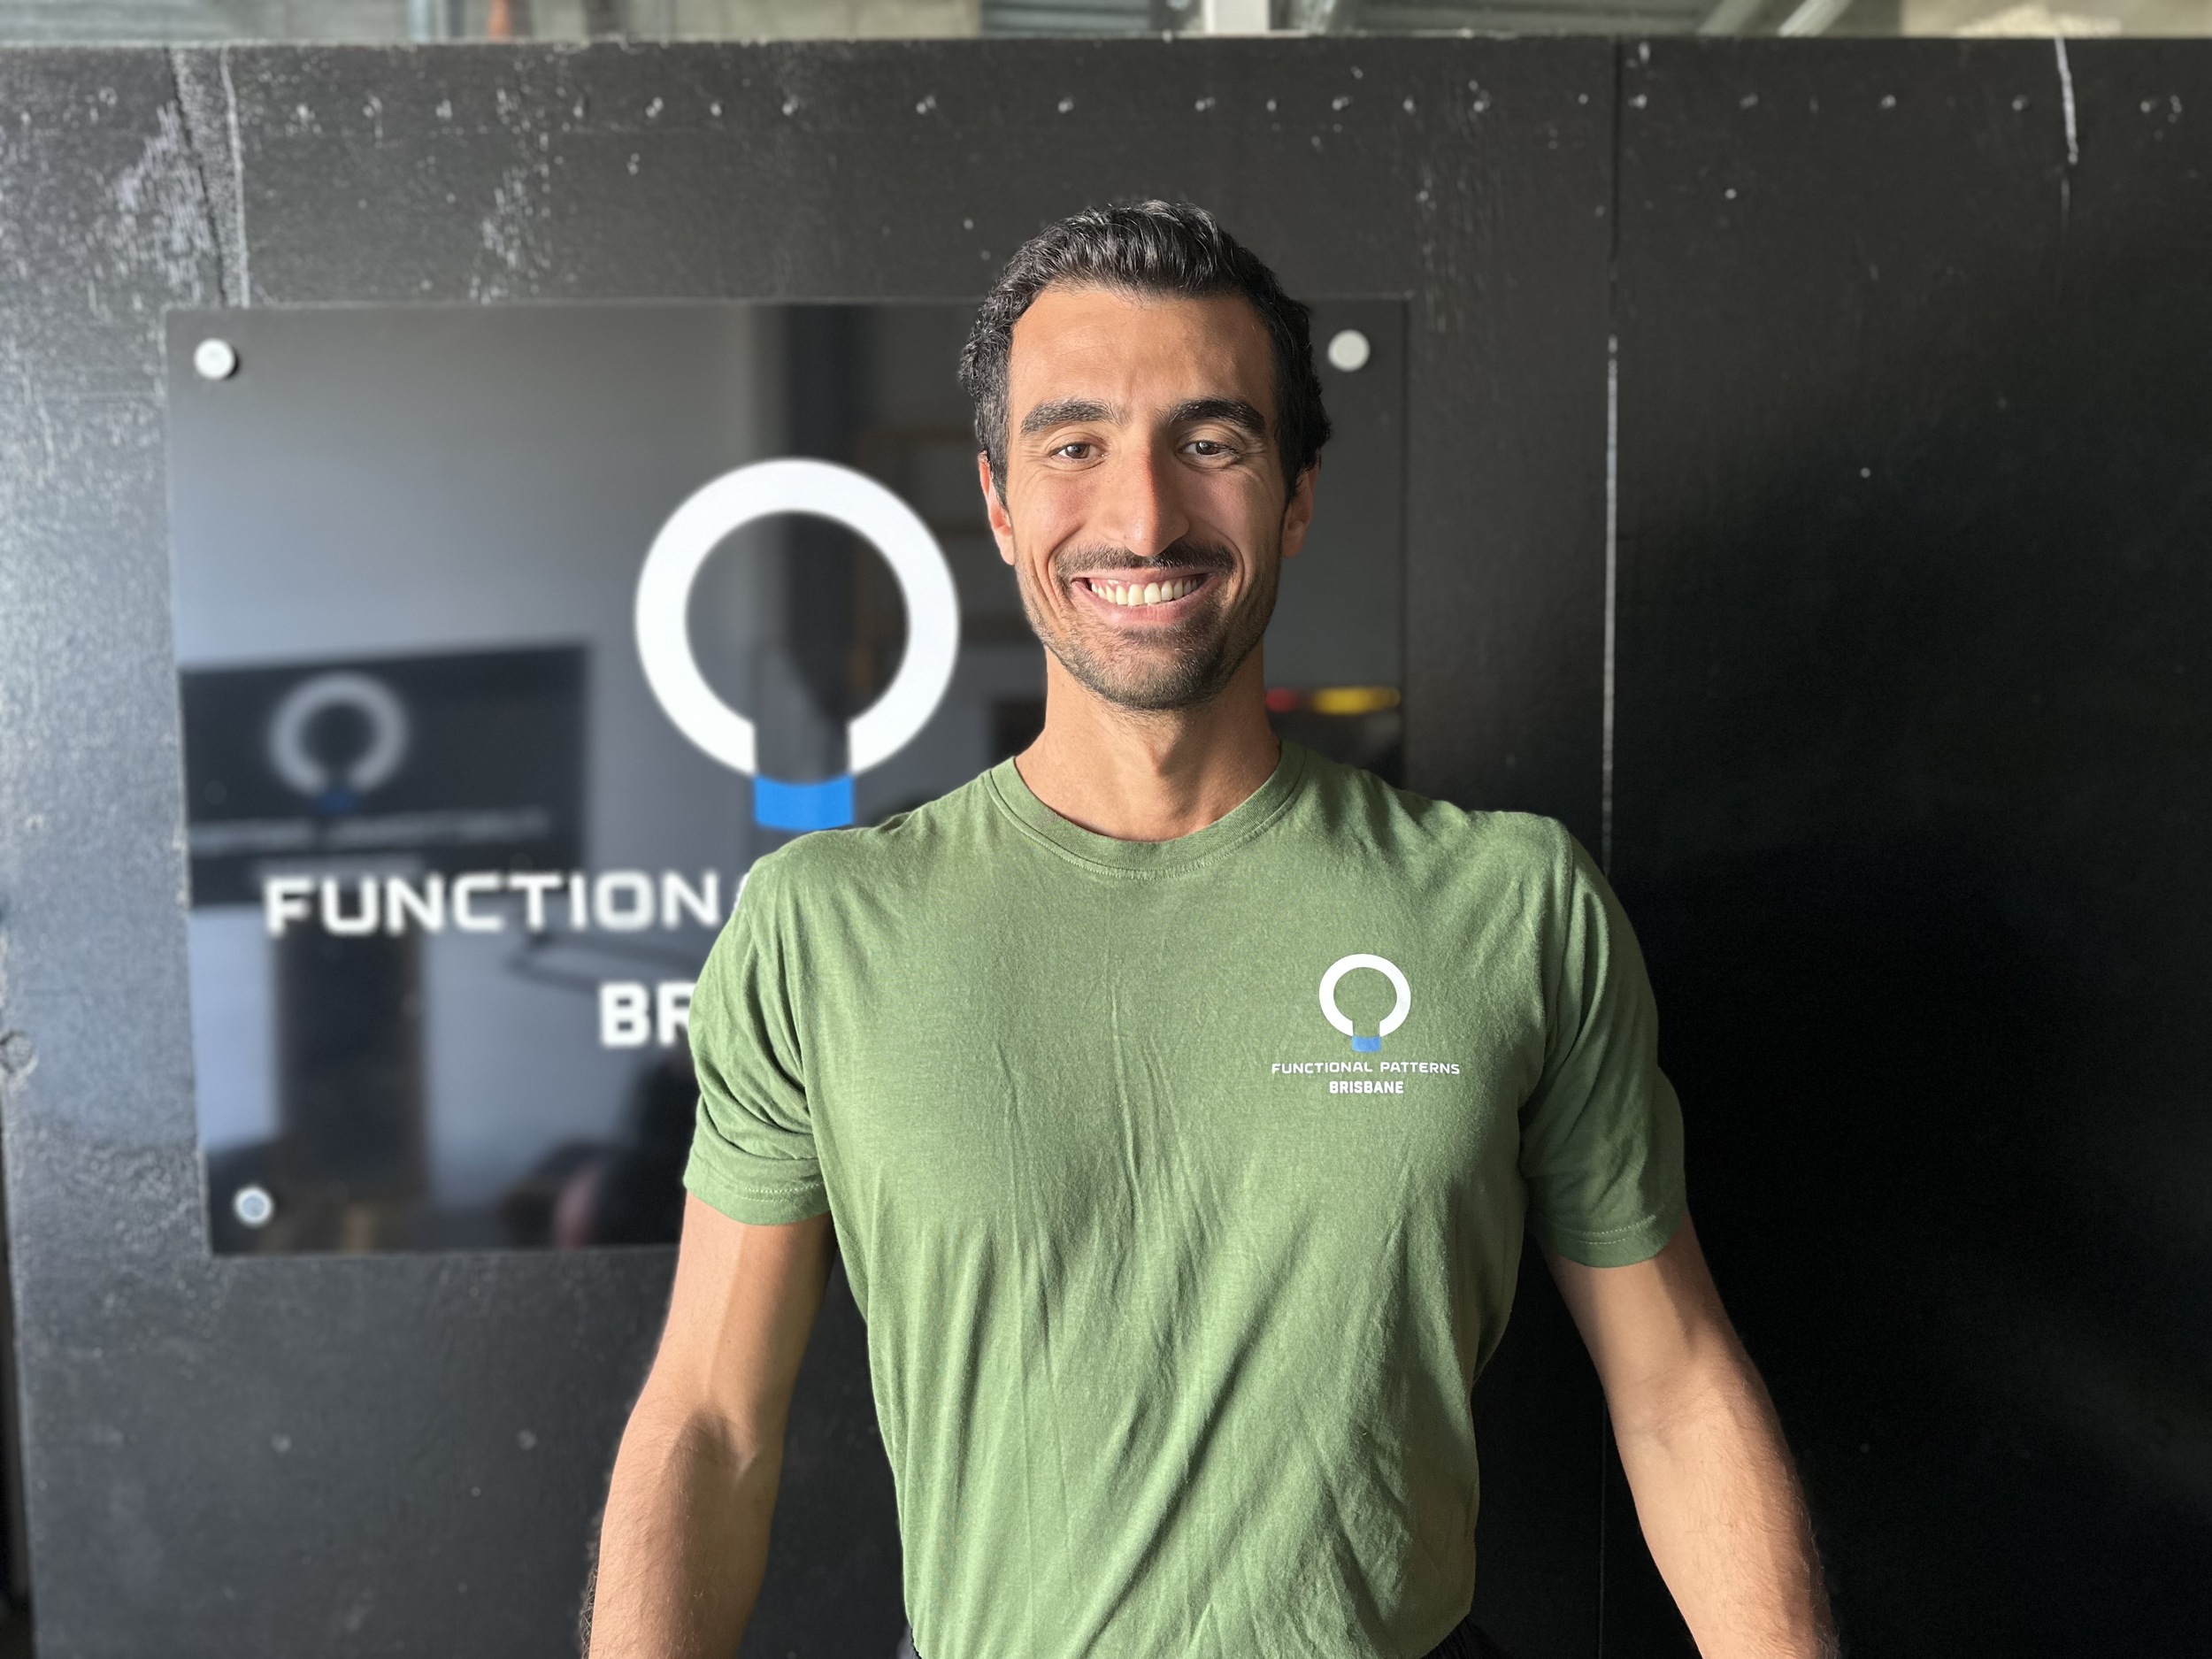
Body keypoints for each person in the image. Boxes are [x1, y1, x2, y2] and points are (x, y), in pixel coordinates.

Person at [587, 202, 1836, 1659]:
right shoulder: (823, 930)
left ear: (1296, 497)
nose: (1143, 517)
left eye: (1212, 441)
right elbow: (712, 1422)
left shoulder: (1512, 905)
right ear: (999, 504)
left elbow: (1676, 1390)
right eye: (1074, 445)